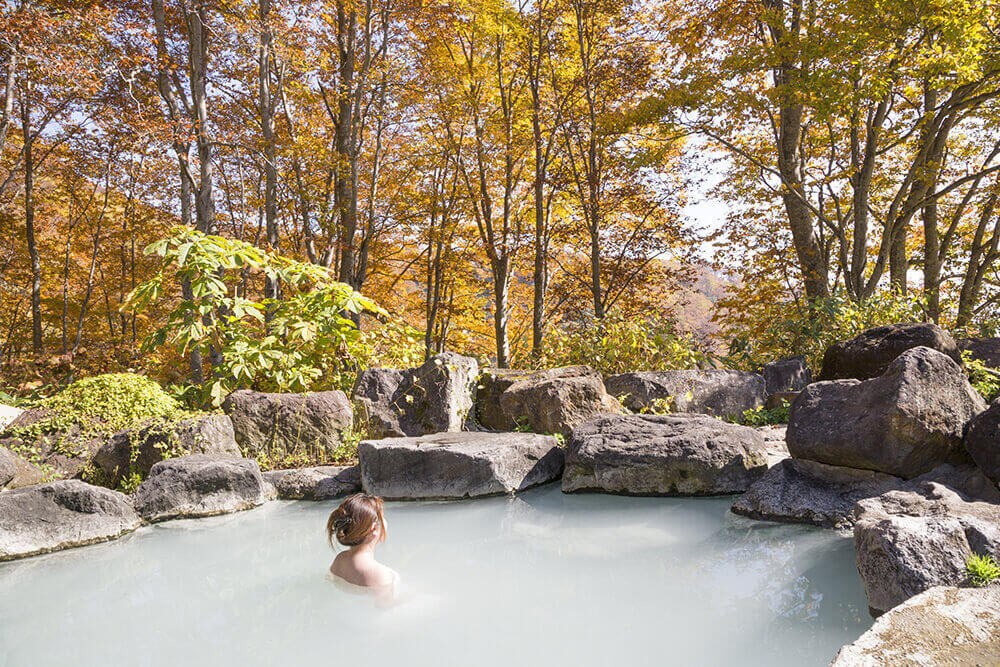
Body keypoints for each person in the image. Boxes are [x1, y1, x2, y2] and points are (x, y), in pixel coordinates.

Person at [327, 493, 398, 591]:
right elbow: (385, 605)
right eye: (383, 517)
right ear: (373, 529)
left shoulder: (340, 559)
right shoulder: (382, 575)